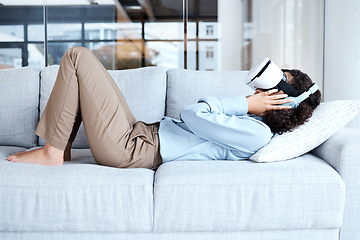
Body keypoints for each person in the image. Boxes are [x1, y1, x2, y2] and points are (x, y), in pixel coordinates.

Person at [5, 47, 321, 169]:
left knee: (77, 57)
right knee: (86, 74)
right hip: (139, 133)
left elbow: (192, 114)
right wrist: (248, 106)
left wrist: (245, 104)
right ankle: (63, 147)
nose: (263, 86)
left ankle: (52, 152)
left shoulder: (255, 134)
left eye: (279, 81)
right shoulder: (251, 122)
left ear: (283, 99)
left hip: (133, 149)